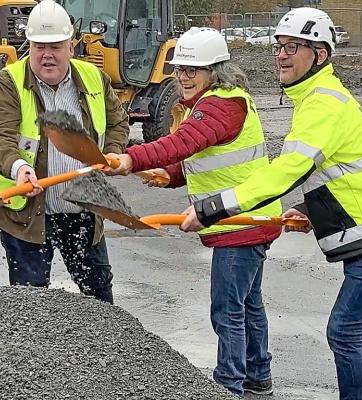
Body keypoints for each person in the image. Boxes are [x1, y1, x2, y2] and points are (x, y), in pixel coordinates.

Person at [178, 8, 362, 400]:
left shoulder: (322, 104)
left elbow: (287, 171)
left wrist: (213, 207)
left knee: (344, 330)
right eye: (279, 46)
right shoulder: (315, 98)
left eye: (293, 47)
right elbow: (344, 169)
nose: (281, 54)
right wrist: (311, 210)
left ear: (320, 55)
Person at [105, 27, 281, 398]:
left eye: (192, 70)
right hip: (248, 217)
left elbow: (183, 143)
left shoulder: (220, 104)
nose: (182, 76)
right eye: (180, 68)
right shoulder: (218, 102)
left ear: (214, 71)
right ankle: (258, 374)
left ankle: (229, 384)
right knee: (248, 303)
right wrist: (168, 175)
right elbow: (203, 157)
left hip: (239, 221)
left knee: (228, 308)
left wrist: (131, 158)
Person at [0, 0, 129, 303]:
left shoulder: (94, 78)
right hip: (27, 216)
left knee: (100, 302)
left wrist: (111, 153)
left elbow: (118, 123)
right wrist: (19, 167)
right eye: (39, 47)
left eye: (56, 46)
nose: (47, 54)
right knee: (32, 308)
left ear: (71, 47)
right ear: (29, 46)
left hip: (83, 212)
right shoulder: (7, 83)